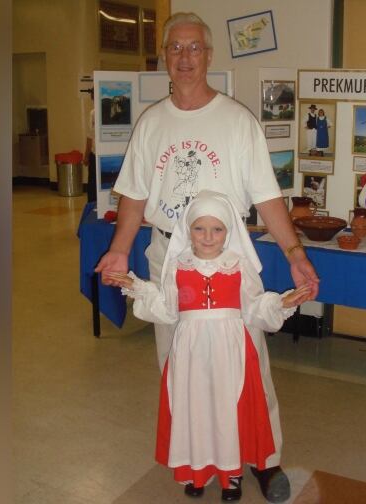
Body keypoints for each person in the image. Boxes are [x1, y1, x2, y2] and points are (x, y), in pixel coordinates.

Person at [95, 12, 319, 503]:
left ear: (209, 56)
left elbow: (266, 198)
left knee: (249, 365)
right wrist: (117, 250)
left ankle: (264, 459)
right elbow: (132, 197)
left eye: (194, 48)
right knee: (179, 365)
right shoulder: (152, 123)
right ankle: (196, 455)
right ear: (165, 59)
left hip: (230, 262)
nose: (185, 58)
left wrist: (296, 253)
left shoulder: (238, 121)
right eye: (175, 48)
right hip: (169, 260)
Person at [107, 191, 310, 501]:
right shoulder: (178, 266)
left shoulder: (238, 265)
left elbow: (254, 307)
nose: (208, 237)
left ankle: (231, 475)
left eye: (217, 229)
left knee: (227, 410)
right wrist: (135, 287)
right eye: (199, 229)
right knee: (195, 408)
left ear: (229, 232)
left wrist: (282, 303)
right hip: (190, 353)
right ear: (188, 231)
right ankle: (197, 471)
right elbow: (166, 308)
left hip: (230, 352)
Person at [83, 88, 97, 202]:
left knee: (95, 182)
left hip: (99, 154)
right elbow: (90, 135)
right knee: (92, 182)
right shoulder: (93, 113)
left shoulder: (95, 113)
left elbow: (89, 136)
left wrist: (86, 155)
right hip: (94, 153)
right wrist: (87, 155)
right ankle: (92, 205)